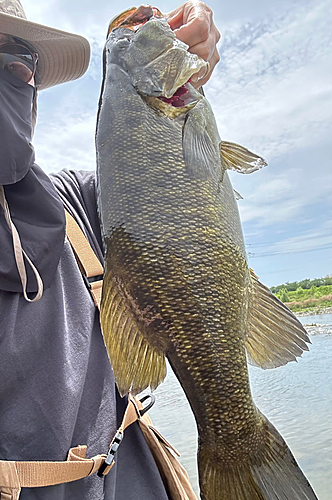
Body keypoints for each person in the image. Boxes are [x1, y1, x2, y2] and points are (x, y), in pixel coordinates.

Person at [0, 1, 220, 499]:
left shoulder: (79, 203)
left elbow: (168, 186)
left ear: (33, 96)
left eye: (15, 65)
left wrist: (177, 68)